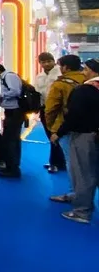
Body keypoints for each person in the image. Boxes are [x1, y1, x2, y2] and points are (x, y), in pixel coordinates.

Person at [50, 58, 99, 224]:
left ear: (91, 71)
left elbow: (73, 116)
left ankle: (82, 211)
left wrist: (58, 132)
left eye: (85, 70)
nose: (83, 73)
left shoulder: (83, 90)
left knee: (83, 174)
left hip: (83, 136)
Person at [46, 55, 85, 201]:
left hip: (66, 127)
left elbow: (51, 108)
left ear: (65, 67)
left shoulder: (60, 84)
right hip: (88, 128)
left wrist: (52, 128)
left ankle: (75, 195)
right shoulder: (89, 81)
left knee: (72, 163)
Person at [0, 63, 24, 178]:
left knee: (10, 141)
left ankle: (13, 169)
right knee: (11, 140)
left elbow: (15, 91)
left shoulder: (9, 76)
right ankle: (11, 166)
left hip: (15, 112)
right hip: (11, 112)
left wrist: (0, 95)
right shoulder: (6, 77)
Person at [35, 52, 62, 171]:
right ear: (40, 63)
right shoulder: (39, 76)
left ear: (53, 61)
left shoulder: (60, 74)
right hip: (44, 109)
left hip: (58, 109)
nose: (46, 64)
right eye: (43, 62)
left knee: (55, 135)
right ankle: (58, 161)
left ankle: (55, 162)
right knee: (49, 135)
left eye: (49, 61)